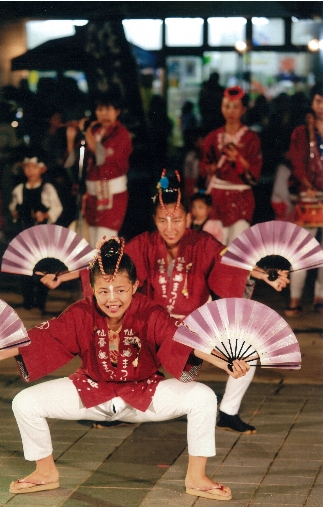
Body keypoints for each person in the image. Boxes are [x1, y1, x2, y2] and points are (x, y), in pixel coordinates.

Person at [0, 237, 250, 499]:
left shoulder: (150, 312)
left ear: (135, 287)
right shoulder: (81, 312)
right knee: (25, 402)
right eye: (104, 291)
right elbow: (38, 340)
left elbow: (185, 340)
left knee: (203, 397)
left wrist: (225, 362)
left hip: (144, 394)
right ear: (92, 289)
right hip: (91, 391)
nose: (113, 299)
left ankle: (196, 477)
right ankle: (45, 472)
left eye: (121, 289)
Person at [41, 174, 289, 434]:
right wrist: (62, 276)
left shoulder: (202, 243)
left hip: (193, 324)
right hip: (152, 325)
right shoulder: (144, 244)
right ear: (155, 221)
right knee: (111, 342)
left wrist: (266, 275)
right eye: (162, 220)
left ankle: (228, 412)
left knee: (248, 347)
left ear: (189, 219)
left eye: (177, 220)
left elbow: (232, 263)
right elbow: (108, 265)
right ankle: (115, 409)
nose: (170, 227)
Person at [64, 92, 132, 248]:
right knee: (89, 242)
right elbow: (72, 163)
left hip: (112, 196)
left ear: (117, 112)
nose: (104, 114)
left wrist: (86, 133)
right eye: (100, 110)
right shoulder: (95, 131)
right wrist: (70, 139)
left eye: (109, 110)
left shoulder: (121, 134)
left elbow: (101, 157)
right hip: (92, 196)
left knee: (105, 241)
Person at [200, 86, 262, 246]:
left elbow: (255, 172)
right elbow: (204, 164)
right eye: (226, 106)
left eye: (235, 107)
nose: (231, 111)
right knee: (214, 246)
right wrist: (209, 169)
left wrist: (239, 159)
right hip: (217, 199)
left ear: (243, 110)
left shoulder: (251, 139)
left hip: (241, 199)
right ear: (221, 108)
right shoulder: (213, 137)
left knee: (237, 248)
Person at [284, 83, 323, 317]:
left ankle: (320, 297)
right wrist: (306, 185)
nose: (322, 107)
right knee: (302, 250)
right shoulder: (301, 132)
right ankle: (294, 299)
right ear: (312, 103)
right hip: (310, 198)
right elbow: (297, 163)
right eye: (319, 101)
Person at [9, 149, 63, 313]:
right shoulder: (20, 189)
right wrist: (15, 213)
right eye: (27, 167)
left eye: (33, 167)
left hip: (42, 235)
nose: (30, 171)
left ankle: (40, 302)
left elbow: (57, 207)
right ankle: (27, 301)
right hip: (24, 231)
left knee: (42, 267)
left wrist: (46, 214)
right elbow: (13, 206)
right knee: (25, 267)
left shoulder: (47, 188)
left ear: (42, 169)